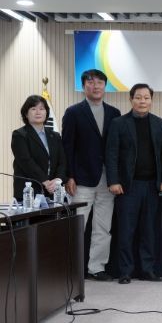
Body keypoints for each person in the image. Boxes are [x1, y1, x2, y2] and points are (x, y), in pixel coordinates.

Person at [105, 84, 162, 284]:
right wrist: (113, 181)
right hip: (127, 186)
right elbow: (111, 154)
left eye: (146, 98)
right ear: (131, 99)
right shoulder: (118, 123)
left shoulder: (158, 123)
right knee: (126, 230)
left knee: (149, 230)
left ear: (151, 100)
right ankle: (125, 271)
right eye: (138, 97)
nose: (143, 101)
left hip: (151, 185)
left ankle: (147, 270)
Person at [62, 69, 121, 281]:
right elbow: (67, 147)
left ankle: (97, 267)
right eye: (90, 82)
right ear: (84, 86)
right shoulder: (73, 112)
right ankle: (72, 268)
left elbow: (116, 147)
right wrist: (69, 176)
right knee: (77, 226)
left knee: (103, 227)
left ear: (105, 86)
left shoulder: (114, 113)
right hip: (81, 180)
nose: (95, 86)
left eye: (99, 83)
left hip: (108, 181)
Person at [11, 95, 67, 201]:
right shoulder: (19, 135)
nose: (38, 112)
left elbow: (62, 162)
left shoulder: (55, 136)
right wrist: (45, 181)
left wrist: (58, 180)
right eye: (33, 109)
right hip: (29, 193)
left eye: (41, 109)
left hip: (53, 190)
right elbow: (26, 161)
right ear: (26, 114)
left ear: (46, 113)